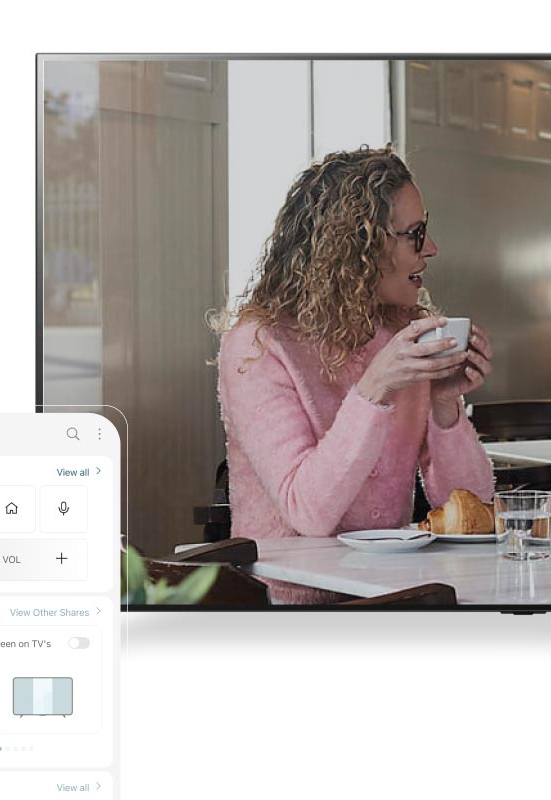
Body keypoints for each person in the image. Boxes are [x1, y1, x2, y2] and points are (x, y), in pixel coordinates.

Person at [210, 146, 496, 604]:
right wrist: (375, 388)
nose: (432, 249)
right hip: (290, 607)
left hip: (388, 595)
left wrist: (446, 407)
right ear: (358, 246)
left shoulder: (400, 333)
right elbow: (308, 512)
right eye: (415, 234)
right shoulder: (259, 345)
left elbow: (471, 507)